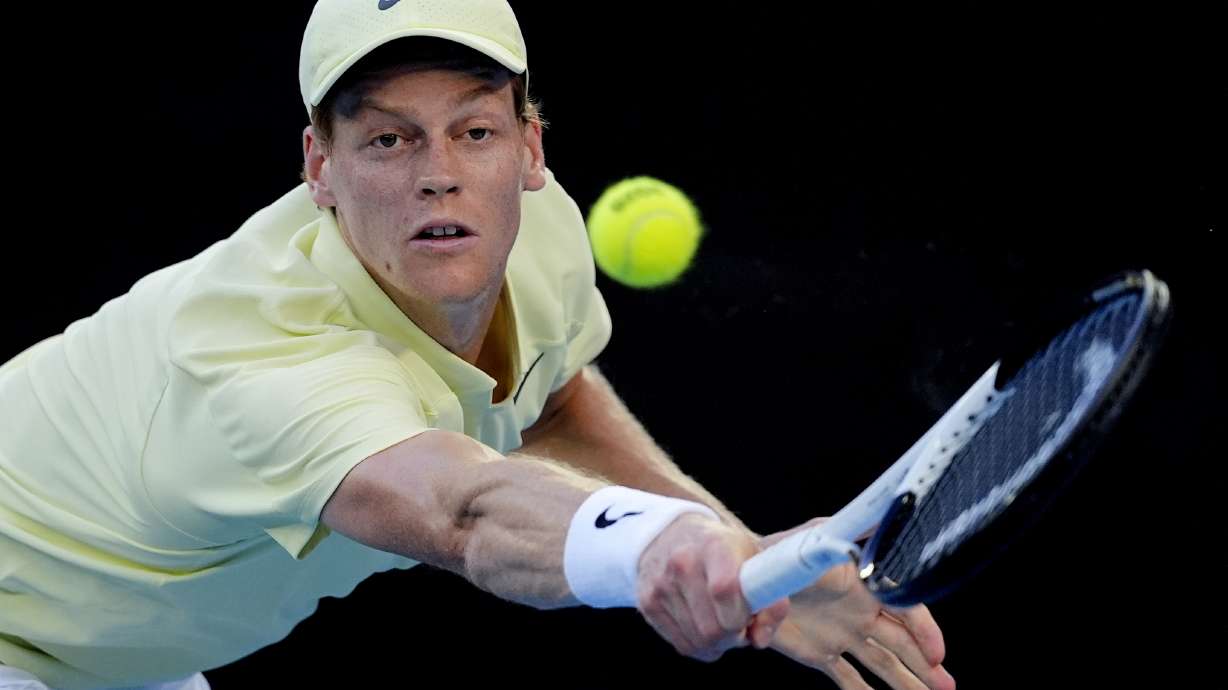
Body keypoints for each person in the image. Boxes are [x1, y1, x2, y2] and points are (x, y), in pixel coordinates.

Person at [0, 2, 955, 689]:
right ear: (318, 167)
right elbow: (463, 512)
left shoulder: (540, 239)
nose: (439, 176)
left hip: (124, 658)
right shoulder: (257, 349)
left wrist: (743, 561)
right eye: (387, 140)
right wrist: (650, 548)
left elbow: (548, 401)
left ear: (531, 149)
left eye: (476, 128)